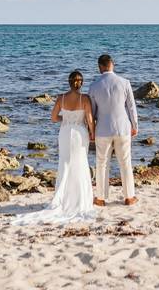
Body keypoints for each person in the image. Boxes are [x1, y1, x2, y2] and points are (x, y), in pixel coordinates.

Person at [12, 70, 97, 225]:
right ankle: (79, 200)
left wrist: (65, 119)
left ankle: (62, 198)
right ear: (81, 83)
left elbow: (53, 118)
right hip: (79, 132)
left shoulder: (61, 98)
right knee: (80, 163)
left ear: (69, 83)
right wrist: (92, 133)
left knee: (64, 163)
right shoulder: (84, 98)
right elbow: (90, 118)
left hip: (64, 132)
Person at [87, 54, 138, 206]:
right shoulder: (124, 82)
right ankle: (129, 197)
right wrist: (135, 125)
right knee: (125, 163)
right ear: (112, 65)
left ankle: (101, 198)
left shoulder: (94, 86)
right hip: (122, 127)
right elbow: (131, 107)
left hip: (102, 129)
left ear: (99, 67)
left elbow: (92, 112)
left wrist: (91, 130)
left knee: (102, 163)